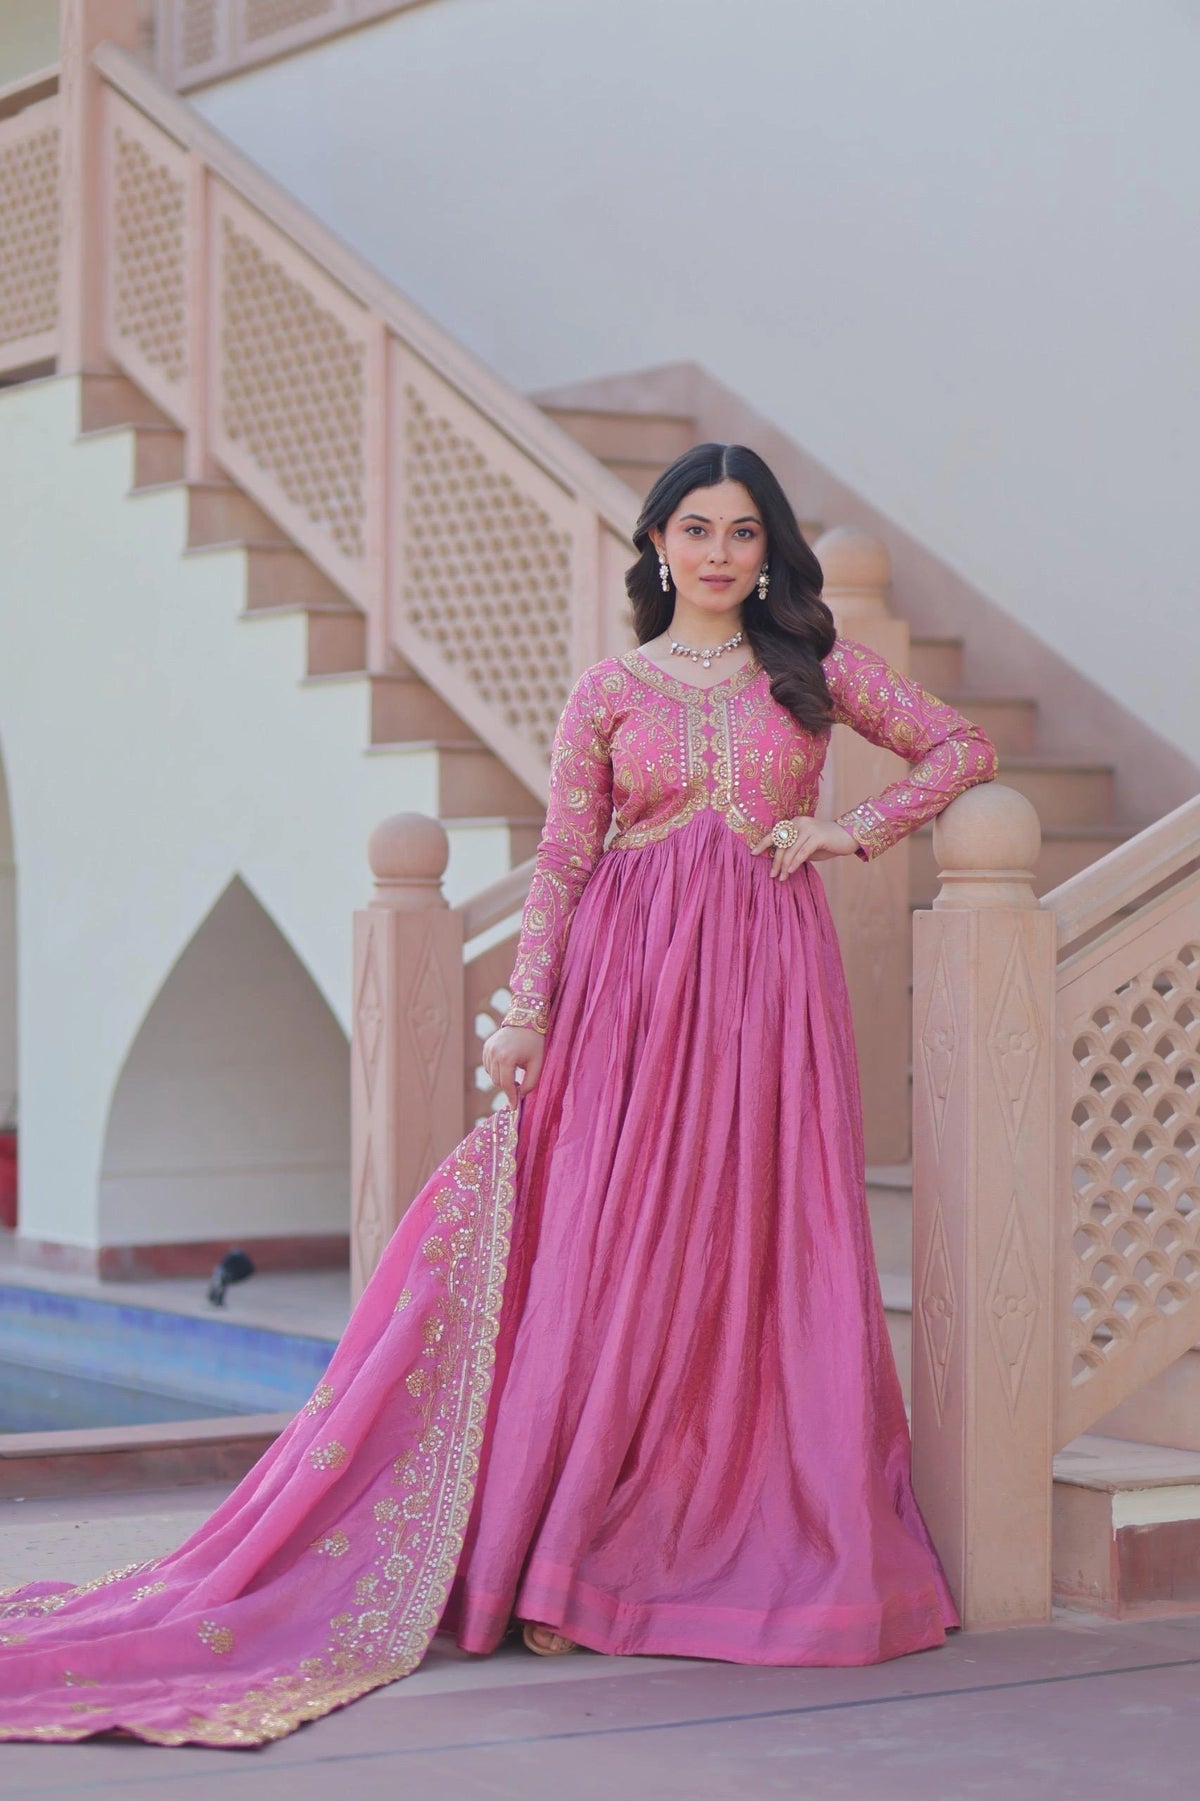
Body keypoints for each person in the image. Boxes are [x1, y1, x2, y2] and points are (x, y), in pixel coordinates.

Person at [0, 444, 997, 1747]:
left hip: (765, 985)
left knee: (748, 1239)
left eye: (743, 532)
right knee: (608, 1247)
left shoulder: (812, 669)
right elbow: (566, 859)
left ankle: (698, 1534)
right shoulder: (609, 690)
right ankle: (569, 1542)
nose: (717, 552)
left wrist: (847, 831)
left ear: (769, 553)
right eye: (696, 528)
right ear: (656, 545)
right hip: (625, 992)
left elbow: (960, 745)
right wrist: (526, 1011)